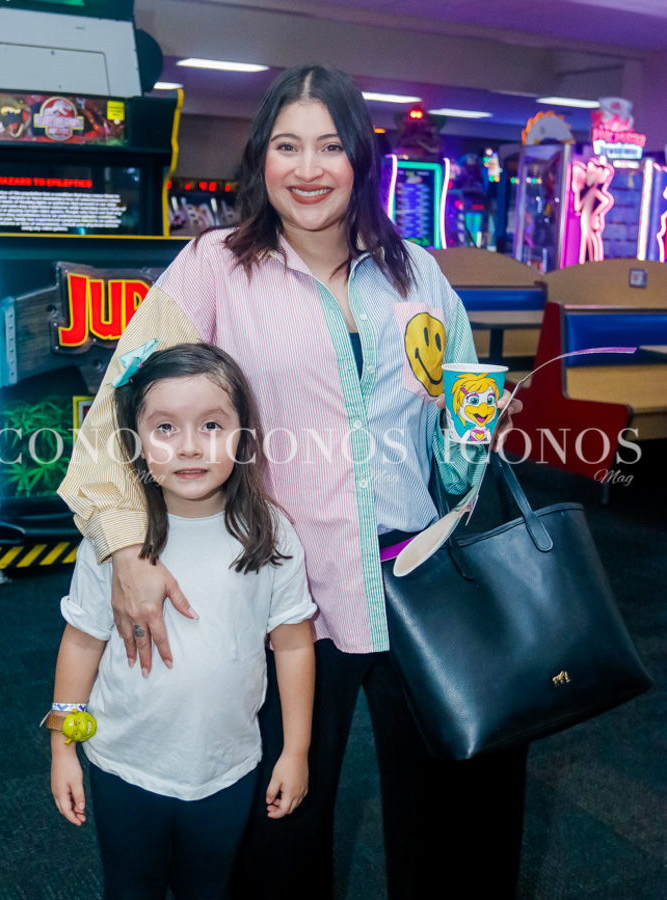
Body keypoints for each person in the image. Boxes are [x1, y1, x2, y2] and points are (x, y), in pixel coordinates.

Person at [59, 65, 526, 899]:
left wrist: (474, 427)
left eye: (329, 146)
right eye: (286, 146)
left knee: (456, 816)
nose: (307, 169)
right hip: (279, 592)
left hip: (416, 580)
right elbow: (115, 412)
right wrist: (126, 550)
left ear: (361, 159)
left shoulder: (417, 275)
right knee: (279, 832)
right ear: (260, 158)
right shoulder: (212, 267)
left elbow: (455, 446)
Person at [49, 343, 316, 900]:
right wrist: (62, 747)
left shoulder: (272, 535)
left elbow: (293, 646)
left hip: (227, 768)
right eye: (165, 427)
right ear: (135, 441)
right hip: (122, 764)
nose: (191, 446)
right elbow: (80, 644)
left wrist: (295, 751)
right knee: (129, 889)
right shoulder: (113, 542)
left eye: (213, 425)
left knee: (207, 890)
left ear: (244, 436)